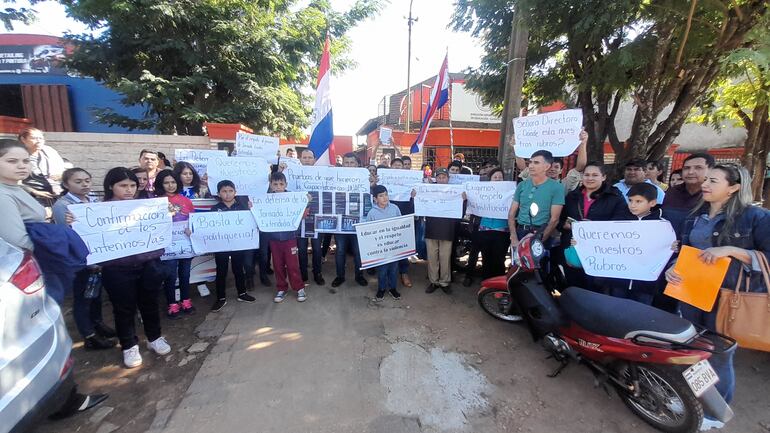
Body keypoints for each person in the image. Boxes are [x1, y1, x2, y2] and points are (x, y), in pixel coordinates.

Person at [0, 139, 108, 417]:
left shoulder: (16, 188)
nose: (21, 166)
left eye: (25, 160)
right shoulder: (3, 195)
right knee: (41, 332)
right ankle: (59, 398)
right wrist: (57, 240)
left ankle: (60, 396)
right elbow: (19, 241)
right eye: (12, 161)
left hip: (38, 270)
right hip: (34, 272)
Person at [665, 164, 770, 425]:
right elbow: (685, 253)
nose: (705, 184)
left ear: (733, 187)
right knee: (691, 349)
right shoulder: (695, 216)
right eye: (706, 179)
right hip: (691, 293)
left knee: (720, 353)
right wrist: (672, 269)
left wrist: (731, 250)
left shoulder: (755, 218)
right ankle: (690, 398)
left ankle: (714, 413)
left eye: (713, 180)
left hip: (727, 298)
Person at [98, 167, 172, 368]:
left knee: (149, 303)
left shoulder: (147, 207)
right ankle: (129, 345)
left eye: (132, 185)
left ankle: (154, 337)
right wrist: (74, 221)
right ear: (111, 186)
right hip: (117, 269)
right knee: (124, 309)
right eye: (123, 186)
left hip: (148, 264)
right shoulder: (98, 212)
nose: (129, 189)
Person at [52, 168, 116, 350]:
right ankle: (89, 335)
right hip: (80, 260)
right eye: (78, 182)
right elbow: (65, 234)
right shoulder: (62, 206)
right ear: (66, 184)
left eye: (87, 180)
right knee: (83, 297)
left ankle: (98, 324)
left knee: (95, 294)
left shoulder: (93, 200)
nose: (84, 185)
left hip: (98, 255)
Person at [593, 183, 672, 304]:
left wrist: (673, 246)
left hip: (646, 283)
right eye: (630, 200)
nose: (633, 205)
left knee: (640, 314)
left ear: (652, 203)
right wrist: (581, 243)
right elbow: (603, 242)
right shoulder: (618, 222)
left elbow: (667, 247)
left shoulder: (662, 225)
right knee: (616, 309)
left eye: (638, 201)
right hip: (619, 280)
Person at [559, 162, 629, 288]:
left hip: (600, 253)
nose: (590, 178)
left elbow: (621, 223)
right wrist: (566, 225)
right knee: (573, 287)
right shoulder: (572, 196)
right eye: (587, 175)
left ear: (603, 177)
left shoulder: (615, 197)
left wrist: (595, 228)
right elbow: (559, 220)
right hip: (573, 250)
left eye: (595, 175)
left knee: (595, 289)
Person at [153, 169, 196, 319]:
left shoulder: (186, 201)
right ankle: (172, 303)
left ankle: (186, 300)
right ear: (160, 184)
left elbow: (193, 220)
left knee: (185, 274)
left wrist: (191, 230)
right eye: (166, 182)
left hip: (185, 243)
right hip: (167, 245)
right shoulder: (155, 202)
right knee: (170, 275)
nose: (170, 185)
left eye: (173, 182)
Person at [210, 180, 257, 312]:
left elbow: (251, 222)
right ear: (219, 193)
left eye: (230, 191)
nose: (228, 194)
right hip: (221, 246)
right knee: (221, 271)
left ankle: (242, 293)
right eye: (224, 191)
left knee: (238, 269)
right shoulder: (214, 209)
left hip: (238, 245)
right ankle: (220, 298)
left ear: (235, 192)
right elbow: (208, 227)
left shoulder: (242, 207)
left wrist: (253, 209)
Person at [420, 168, 464, 294]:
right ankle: (433, 281)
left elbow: (461, 211)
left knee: (445, 258)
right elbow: (419, 204)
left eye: (444, 177)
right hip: (431, 229)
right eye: (439, 177)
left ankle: (444, 282)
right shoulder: (428, 191)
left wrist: (463, 200)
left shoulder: (454, 192)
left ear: (448, 179)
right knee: (432, 258)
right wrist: (414, 197)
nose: (441, 179)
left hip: (447, 230)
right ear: (435, 178)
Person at [508, 150, 565, 247]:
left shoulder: (557, 187)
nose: (531, 166)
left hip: (541, 232)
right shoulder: (522, 185)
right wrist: (513, 237)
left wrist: (540, 240)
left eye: (536, 163)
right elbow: (511, 214)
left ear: (547, 166)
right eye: (530, 162)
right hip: (520, 231)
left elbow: (554, 219)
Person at [266, 172, 308, 303]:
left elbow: (303, 212)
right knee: (277, 265)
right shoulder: (265, 199)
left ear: (286, 185)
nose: (278, 187)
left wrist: (306, 201)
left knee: (292, 265)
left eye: (281, 184)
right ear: (271, 185)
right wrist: (253, 206)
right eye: (275, 184)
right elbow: (259, 212)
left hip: (290, 238)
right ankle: (281, 288)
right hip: (274, 239)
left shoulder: (293, 197)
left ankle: (299, 287)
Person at [331, 153, 369, 289]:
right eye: (346, 162)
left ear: (357, 164)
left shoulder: (365, 178)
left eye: (352, 162)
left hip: (358, 222)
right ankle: (340, 276)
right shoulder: (336, 178)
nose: (349, 165)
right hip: (340, 221)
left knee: (358, 251)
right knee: (340, 250)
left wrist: (372, 183)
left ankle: (359, 276)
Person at [516, 129, 588, 195]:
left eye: (556, 167)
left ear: (561, 170)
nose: (552, 169)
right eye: (550, 167)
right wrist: (516, 146)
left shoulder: (564, 184)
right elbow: (523, 168)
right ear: (545, 167)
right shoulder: (534, 180)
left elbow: (580, 167)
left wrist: (583, 143)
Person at [662, 153, 715, 237]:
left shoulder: (715, 196)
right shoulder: (672, 192)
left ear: (711, 170)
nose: (690, 172)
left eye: (698, 168)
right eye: (686, 168)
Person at [366, 185, 403, 301]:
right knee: (382, 270)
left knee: (393, 268)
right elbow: (368, 231)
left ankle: (392, 288)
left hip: (393, 246)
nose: (385, 197)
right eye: (381, 196)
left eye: (386, 194)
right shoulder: (372, 213)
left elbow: (401, 224)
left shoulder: (395, 208)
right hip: (380, 248)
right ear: (375, 199)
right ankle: (381, 289)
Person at [477, 168, 512, 279]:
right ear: (490, 179)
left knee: (499, 258)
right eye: (495, 177)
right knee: (486, 257)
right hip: (485, 229)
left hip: (502, 230)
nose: (497, 179)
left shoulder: (509, 192)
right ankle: (486, 282)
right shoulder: (483, 191)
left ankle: (498, 284)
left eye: (500, 177)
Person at [296, 149, 324, 285]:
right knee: (301, 248)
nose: (307, 160)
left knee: (317, 248)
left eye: (310, 157)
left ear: (314, 159)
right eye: (304, 157)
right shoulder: (292, 174)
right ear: (300, 159)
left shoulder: (323, 174)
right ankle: (303, 273)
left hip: (317, 216)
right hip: (299, 218)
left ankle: (317, 272)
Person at [386, 157, 414, 287]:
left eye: (400, 165)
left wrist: (414, 196)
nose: (397, 167)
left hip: (404, 216)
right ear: (391, 167)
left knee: (403, 245)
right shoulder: (385, 179)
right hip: (388, 217)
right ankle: (387, 272)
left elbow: (414, 204)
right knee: (387, 244)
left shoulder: (410, 181)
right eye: (395, 165)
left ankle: (404, 272)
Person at [18, 127, 66, 196]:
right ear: (23, 139)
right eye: (34, 138)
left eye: (41, 138)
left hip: (57, 190)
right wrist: (35, 192)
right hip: (32, 194)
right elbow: (15, 182)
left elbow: (63, 171)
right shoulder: (17, 156)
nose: (39, 141)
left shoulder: (49, 151)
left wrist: (61, 175)